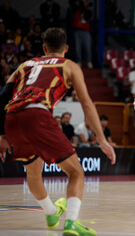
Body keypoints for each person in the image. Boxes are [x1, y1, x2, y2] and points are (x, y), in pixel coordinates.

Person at [0, 28, 115, 236]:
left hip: (12, 118)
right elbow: (86, 103)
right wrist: (102, 139)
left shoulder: (25, 65)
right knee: (76, 172)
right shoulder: (69, 65)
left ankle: (52, 213)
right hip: (37, 115)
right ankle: (71, 223)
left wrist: (1, 134)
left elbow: (3, 97)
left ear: (44, 49)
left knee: (33, 173)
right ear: (67, 48)